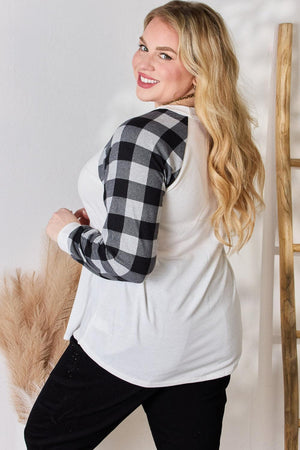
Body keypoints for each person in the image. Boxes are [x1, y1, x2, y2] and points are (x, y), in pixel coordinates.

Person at [24, 1, 264, 449]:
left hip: (136, 341)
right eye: (143, 46)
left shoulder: (143, 136)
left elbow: (126, 262)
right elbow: (181, 218)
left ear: (199, 68)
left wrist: (65, 231)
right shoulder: (217, 130)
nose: (143, 63)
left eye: (165, 55)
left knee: (44, 439)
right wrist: (106, 217)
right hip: (208, 342)